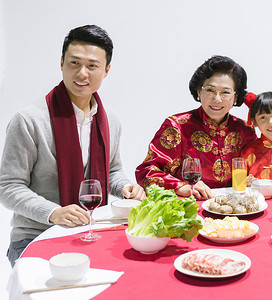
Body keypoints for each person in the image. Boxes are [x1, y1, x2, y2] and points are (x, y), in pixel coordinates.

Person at [0, 25, 145, 266]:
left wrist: (125, 188)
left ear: (106, 70)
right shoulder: (28, 120)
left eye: (92, 66)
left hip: (90, 229)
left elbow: (113, 171)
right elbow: (8, 186)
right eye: (74, 63)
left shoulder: (110, 120)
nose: (82, 73)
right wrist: (53, 212)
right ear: (61, 63)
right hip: (35, 236)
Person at [136, 55, 256, 199]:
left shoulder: (245, 130)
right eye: (210, 90)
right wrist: (180, 185)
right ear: (199, 91)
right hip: (190, 208)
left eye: (225, 92)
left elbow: (257, 168)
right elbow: (147, 172)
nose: (217, 99)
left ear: (236, 97)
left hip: (235, 210)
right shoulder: (177, 126)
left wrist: (253, 180)